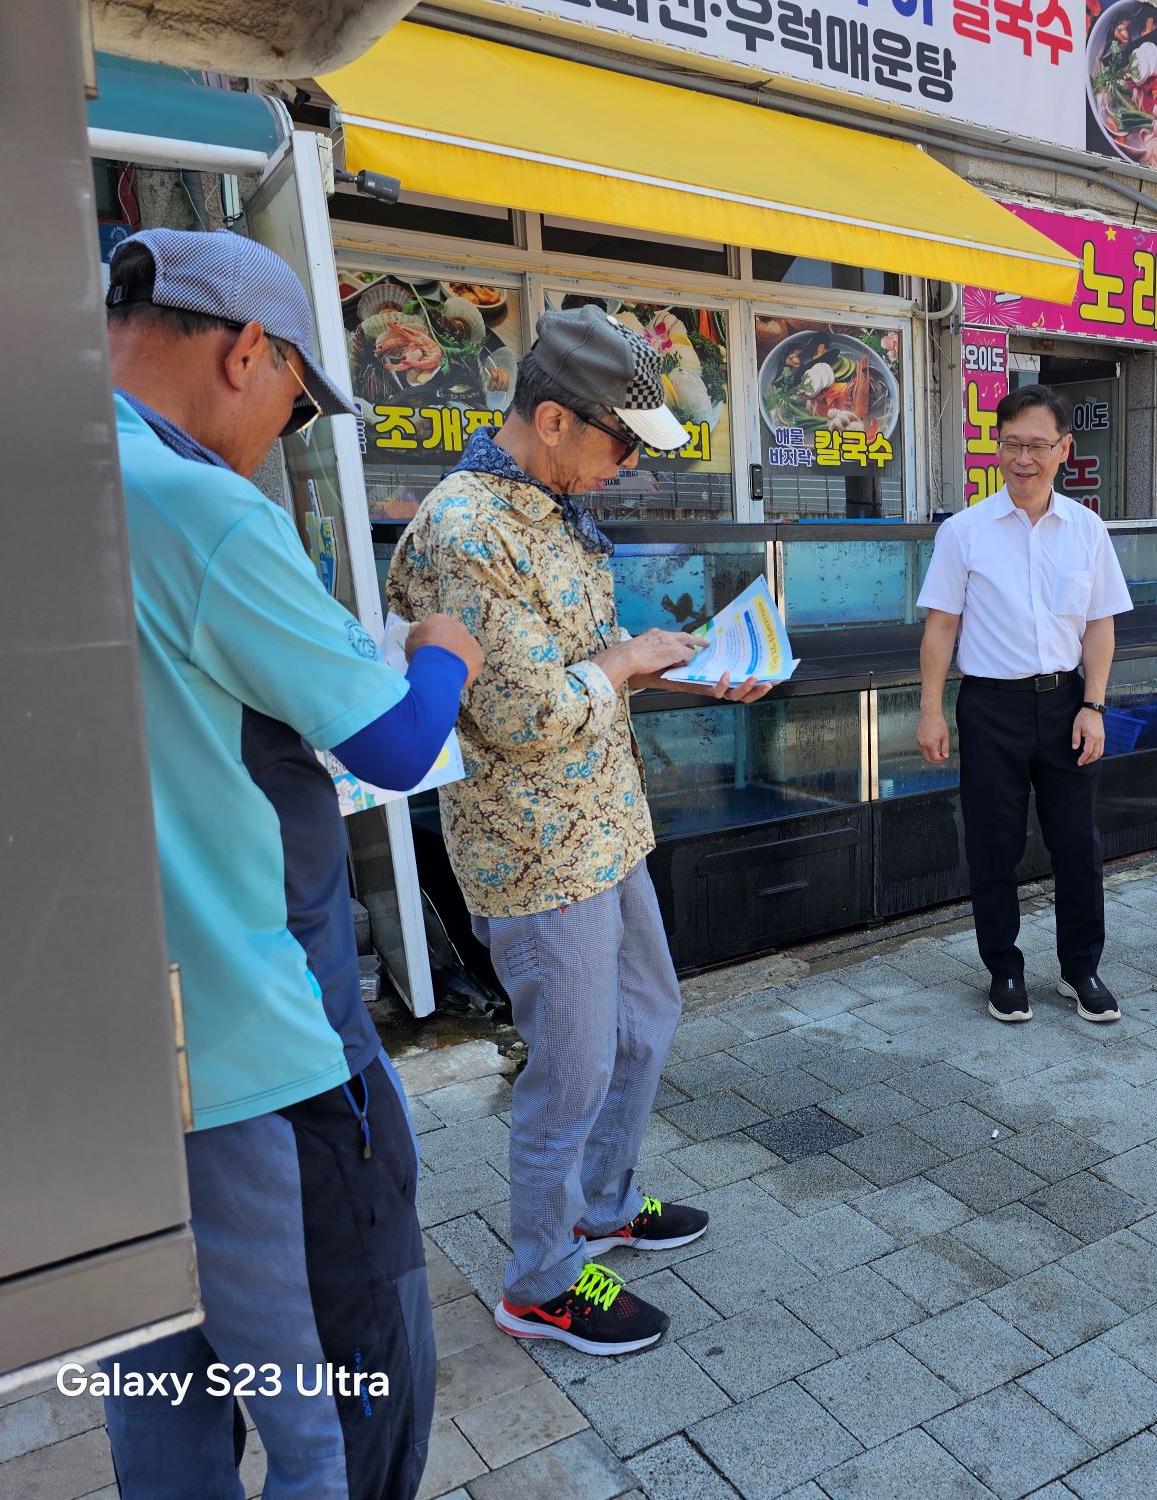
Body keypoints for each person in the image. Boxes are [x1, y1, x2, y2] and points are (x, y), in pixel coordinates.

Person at [103, 228, 483, 1497]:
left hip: (103, 1061)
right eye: (296, 399)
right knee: (334, 1409)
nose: (289, 428)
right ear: (244, 350)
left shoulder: (29, 472)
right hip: (257, 1044)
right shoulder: (198, 507)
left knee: (163, 1394)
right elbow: (393, 744)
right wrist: (441, 650)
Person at [387, 305, 770, 1357]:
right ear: (551, 418)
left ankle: (601, 1204)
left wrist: (677, 669)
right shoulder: (467, 530)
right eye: (616, 443)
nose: (625, 468)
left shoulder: (546, 504)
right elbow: (515, 714)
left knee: (645, 1021)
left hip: (603, 823)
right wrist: (625, 664)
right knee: (571, 1068)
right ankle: (541, 1280)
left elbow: (583, 670)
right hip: (533, 847)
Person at [915, 385, 1135, 1024]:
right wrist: (931, 709)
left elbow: (1099, 626)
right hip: (991, 707)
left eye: (1037, 445)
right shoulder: (964, 532)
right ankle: (1002, 970)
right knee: (993, 842)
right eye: (1011, 444)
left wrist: (1094, 704)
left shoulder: (1088, 530)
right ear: (997, 448)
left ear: (1064, 449)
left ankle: (1080, 968)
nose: (1023, 458)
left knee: (1076, 842)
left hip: (1067, 701)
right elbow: (941, 626)